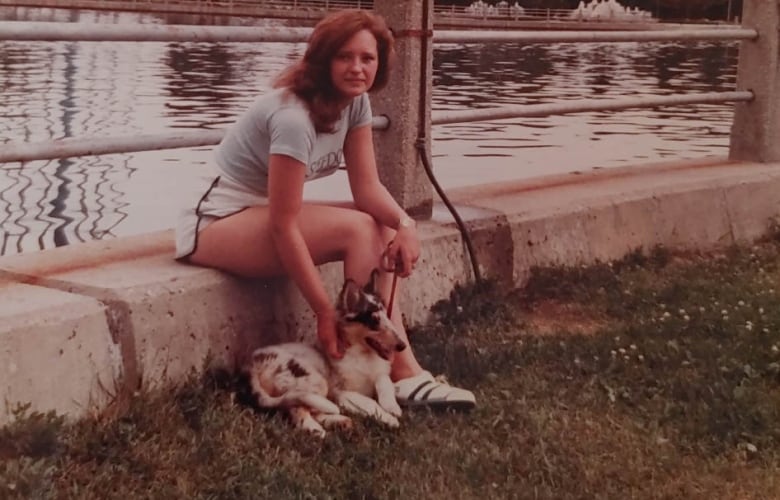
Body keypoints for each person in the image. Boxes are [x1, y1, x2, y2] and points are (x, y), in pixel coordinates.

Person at [175, 9, 475, 411]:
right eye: (344, 57)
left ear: (379, 64)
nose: (357, 68)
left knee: (380, 226)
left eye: (367, 59)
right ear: (322, 60)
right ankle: (399, 372)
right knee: (359, 230)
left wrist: (405, 225)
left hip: (259, 213)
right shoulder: (293, 118)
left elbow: (367, 189)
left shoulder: (354, 105)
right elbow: (284, 226)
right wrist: (323, 312)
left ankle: (377, 364)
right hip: (213, 224)